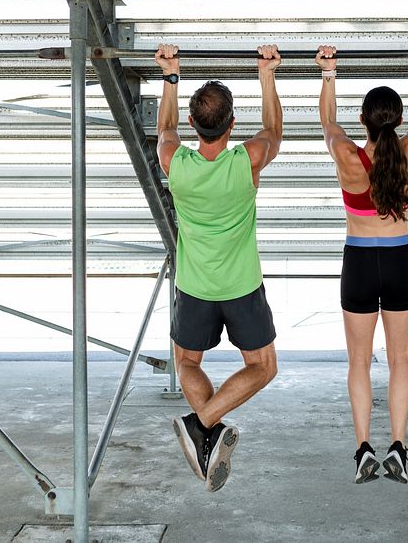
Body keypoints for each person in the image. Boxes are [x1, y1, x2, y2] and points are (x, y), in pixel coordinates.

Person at [155, 43, 283, 492]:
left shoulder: (176, 164)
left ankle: (202, 429)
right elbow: (274, 129)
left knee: (186, 361)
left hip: (194, 285)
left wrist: (171, 75)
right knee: (263, 367)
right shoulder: (246, 161)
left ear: (195, 124)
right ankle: (201, 424)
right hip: (242, 284)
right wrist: (266, 74)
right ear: (232, 124)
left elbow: (164, 128)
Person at [315, 43, 408, 485]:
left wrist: (329, 72)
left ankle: (364, 447)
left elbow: (328, 122)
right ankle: (399, 448)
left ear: (364, 120)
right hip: (398, 258)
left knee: (359, 362)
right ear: (397, 120)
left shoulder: (349, 156)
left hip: (360, 262)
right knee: (400, 361)